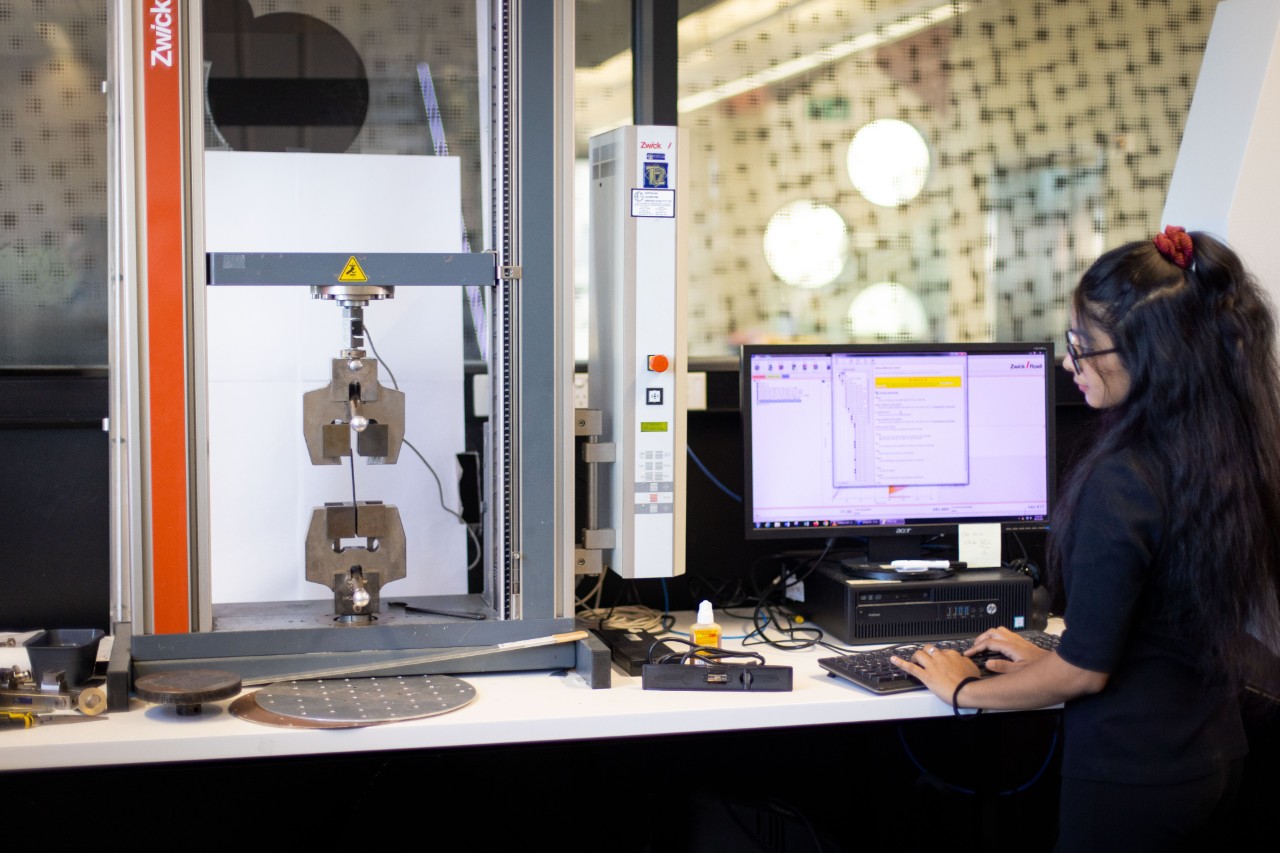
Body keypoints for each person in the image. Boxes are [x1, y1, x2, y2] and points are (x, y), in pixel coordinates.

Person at [891, 226, 1280, 852]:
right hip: (1212, 756)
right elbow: (1159, 632)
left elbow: (1084, 674)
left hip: (1133, 773)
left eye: (1083, 346)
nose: (1070, 364)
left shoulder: (1124, 479)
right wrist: (1046, 660)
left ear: (1149, 355)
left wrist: (964, 687)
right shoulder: (1226, 454)